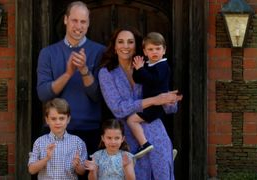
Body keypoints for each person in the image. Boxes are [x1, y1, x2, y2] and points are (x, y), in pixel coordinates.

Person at [98, 27, 182, 180]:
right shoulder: (106, 73)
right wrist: (154, 100)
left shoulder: (149, 66)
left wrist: (170, 100)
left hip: (156, 133)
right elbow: (118, 109)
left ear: (136, 46)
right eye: (121, 42)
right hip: (127, 138)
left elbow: (169, 107)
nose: (125, 46)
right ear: (114, 46)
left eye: (130, 42)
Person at [36, 1, 105, 157]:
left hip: (90, 130)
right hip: (55, 130)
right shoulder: (48, 53)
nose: (78, 26)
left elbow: (97, 96)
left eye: (83, 22)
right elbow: (43, 94)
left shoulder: (100, 52)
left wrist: (84, 70)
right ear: (66, 20)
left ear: (88, 24)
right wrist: (68, 73)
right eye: (74, 20)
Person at [127, 32, 177, 158]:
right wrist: (137, 69)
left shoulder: (163, 66)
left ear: (164, 50)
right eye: (150, 49)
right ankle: (167, 151)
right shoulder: (150, 65)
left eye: (158, 48)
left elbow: (153, 80)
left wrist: (141, 69)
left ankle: (144, 144)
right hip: (151, 103)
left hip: (156, 105)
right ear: (145, 52)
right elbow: (139, 79)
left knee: (131, 120)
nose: (154, 52)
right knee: (158, 128)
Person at [28, 98, 87, 179]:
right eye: (53, 119)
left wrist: (78, 165)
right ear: (47, 120)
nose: (58, 122)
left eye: (61, 118)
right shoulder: (39, 142)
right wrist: (46, 158)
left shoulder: (78, 142)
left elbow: (82, 172)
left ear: (68, 119)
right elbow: (31, 170)